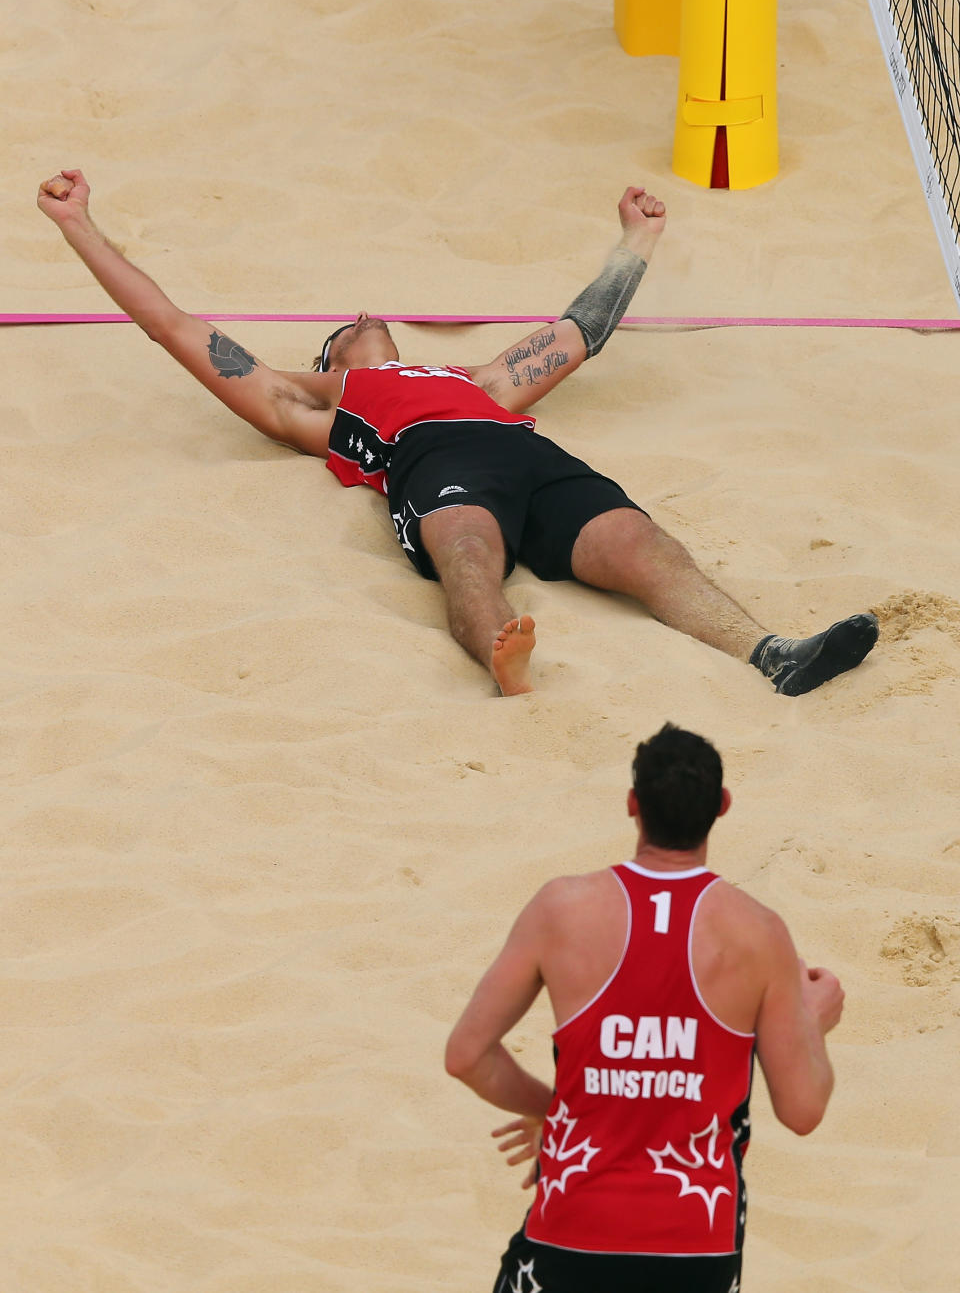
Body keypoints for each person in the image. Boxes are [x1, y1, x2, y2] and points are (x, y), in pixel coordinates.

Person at [37, 169, 879, 697]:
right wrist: (80, 227)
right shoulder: (325, 411)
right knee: (470, 554)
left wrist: (637, 238)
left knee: (642, 546)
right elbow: (177, 330)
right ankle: (501, 663)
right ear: (324, 361)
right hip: (434, 469)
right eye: (344, 329)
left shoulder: (475, 380)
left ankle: (773, 653)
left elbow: (580, 330)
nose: (365, 318)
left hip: (528, 455)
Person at [445, 723, 844, 1293]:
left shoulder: (562, 908)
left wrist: (559, 1112)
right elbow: (802, 1111)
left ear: (633, 805)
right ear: (722, 807)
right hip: (696, 1248)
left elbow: (465, 1055)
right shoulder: (758, 932)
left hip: (572, 1234)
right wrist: (812, 1021)